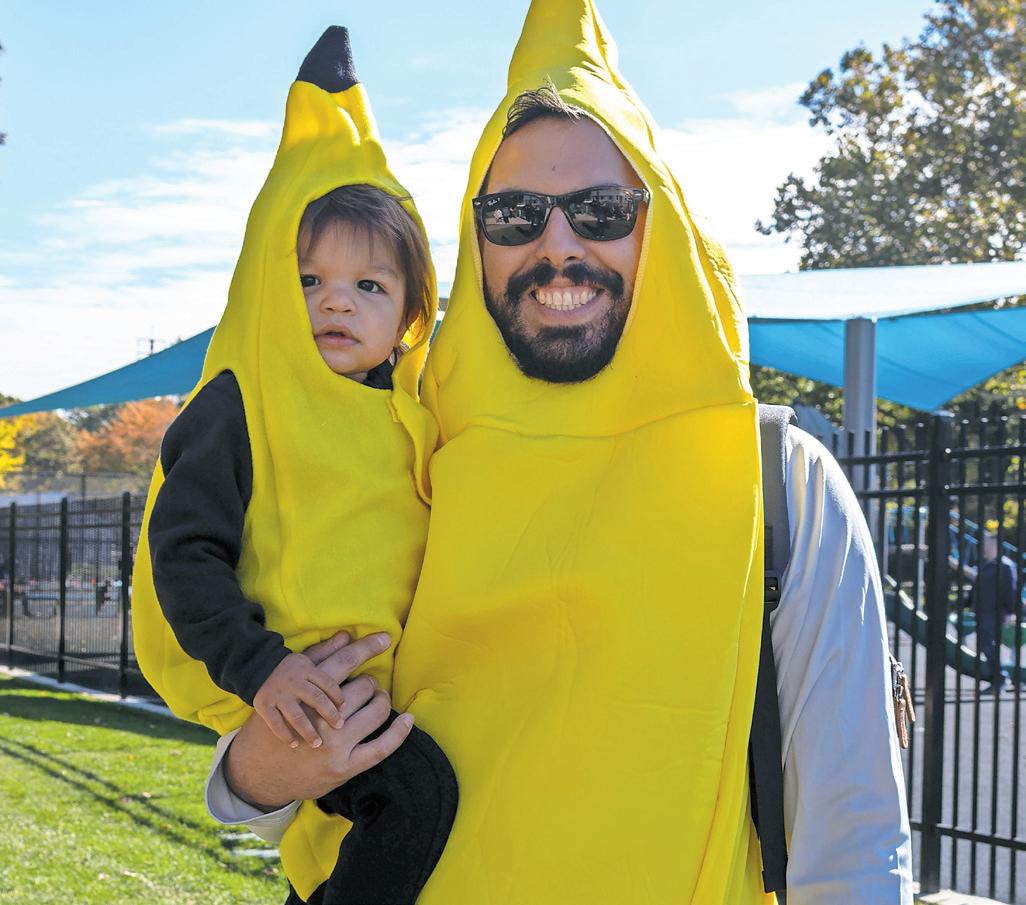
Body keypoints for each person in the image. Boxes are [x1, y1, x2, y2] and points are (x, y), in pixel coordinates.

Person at [210, 2, 913, 903]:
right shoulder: (405, 455)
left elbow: (852, 842)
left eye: (601, 210)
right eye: (514, 215)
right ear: (476, 239)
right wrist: (255, 773)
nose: (559, 246)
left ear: (660, 226)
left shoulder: (780, 482)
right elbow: (281, 759)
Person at [132, 27, 457, 904]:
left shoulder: (416, 417)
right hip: (298, 688)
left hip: (383, 692)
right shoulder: (240, 403)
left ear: (412, 313)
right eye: (308, 280)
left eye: (368, 285)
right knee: (413, 801)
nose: (335, 302)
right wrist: (263, 668)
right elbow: (183, 554)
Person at [972, 531, 1018, 693]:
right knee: (985, 646)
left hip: (995, 613)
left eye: (988, 543)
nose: (985, 547)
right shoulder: (985, 565)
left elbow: (1011, 590)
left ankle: (1002, 677)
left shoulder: (1005, 566)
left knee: (991, 646)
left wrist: (1011, 612)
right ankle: (997, 678)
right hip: (983, 611)